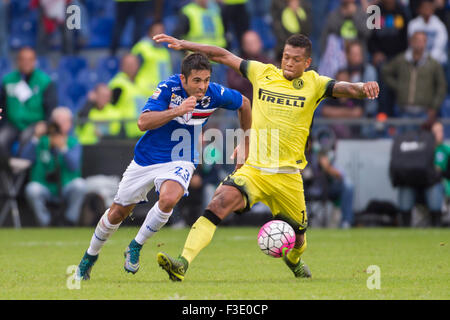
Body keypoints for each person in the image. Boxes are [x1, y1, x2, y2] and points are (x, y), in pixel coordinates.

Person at [152, 32, 379, 281]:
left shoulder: (315, 83)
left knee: (300, 239)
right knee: (218, 203)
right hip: (255, 170)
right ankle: (182, 263)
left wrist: (362, 88)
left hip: (288, 177)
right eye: (285, 57)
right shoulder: (262, 72)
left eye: (295, 59)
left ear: (307, 62)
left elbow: (344, 88)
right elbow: (222, 55)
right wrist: (185, 44)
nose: (289, 63)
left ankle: (294, 261)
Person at [74, 52, 252, 281]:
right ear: (184, 78)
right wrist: (177, 110)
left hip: (182, 157)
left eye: (206, 80)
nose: (202, 86)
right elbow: (142, 122)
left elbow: (245, 103)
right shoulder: (168, 87)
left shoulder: (214, 94)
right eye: (197, 80)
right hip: (147, 158)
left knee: (169, 199)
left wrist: (246, 142)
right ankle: (90, 256)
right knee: (118, 212)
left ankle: (136, 245)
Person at [21, 107, 87, 227]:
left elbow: (74, 166)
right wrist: (35, 136)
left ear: (69, 124)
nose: (59, 125)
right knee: (32, 189)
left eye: (63, 121)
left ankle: (70, 221)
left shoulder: (73, 142)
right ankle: (45, 222)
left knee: (80, 185)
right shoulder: (42, 141)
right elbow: (25, 159)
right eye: (57, 121)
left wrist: (63, 148)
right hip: (44, 186)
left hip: (66, 185)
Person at [0, 47, 57, 157]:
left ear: (34, 61)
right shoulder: (8, 80)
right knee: (1, 139)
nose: (26, 63)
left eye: (29, 59)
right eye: (23, 59)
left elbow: (51, 108)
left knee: (26, 140)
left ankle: (24, 173)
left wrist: (45, 124)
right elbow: (1, 105)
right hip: (12, 124)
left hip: (34, 124)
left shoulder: (44, 81)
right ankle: (6, 172)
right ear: (18, 61)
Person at [382, 31, 447, 123]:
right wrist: (398, 86)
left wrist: (434, 106)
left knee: (423, 137)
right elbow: (386, 72)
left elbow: (441, 86)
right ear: (411, 42)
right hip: (403, 111)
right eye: (417, 40)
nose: (419, 43)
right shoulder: (401, 60)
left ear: (426, 43)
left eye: (422, 41)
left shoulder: (433, 64)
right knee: (402, 137)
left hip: (424, 112)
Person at [226, 30, 275, 102]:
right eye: (248, 43)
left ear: (260, 43)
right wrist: (252, 77)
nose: (252, 45)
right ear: (243, 46)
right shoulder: (237, 62)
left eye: (254, 42)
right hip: (243, 102)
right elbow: (232, 83)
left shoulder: (268, 62)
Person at [108, 54, 146, 139]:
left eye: (133, 64)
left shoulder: (142, 82)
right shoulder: (118, 84)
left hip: (142, 130)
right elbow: (111, 106)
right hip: (125, 132)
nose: (131, 67)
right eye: (128, 65)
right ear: (122, 66)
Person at [131, 22, 173, 97]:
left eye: (161, 32)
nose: (159, 34)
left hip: (161, 95)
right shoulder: (142, 48)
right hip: (144, 93)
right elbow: (131, 71)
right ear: (149, 33)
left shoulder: (165, 52)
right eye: (156, 32)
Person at [407, 0, 448, 65]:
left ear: (433, 9)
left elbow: (439, 47)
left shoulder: (439, 25)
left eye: (429, 7)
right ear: (419, 9)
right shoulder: (413, 24)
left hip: (437, 61)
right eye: (424, 7)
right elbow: (411, 44)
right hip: (418, 59)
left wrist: (428, 60)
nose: (426, 9)